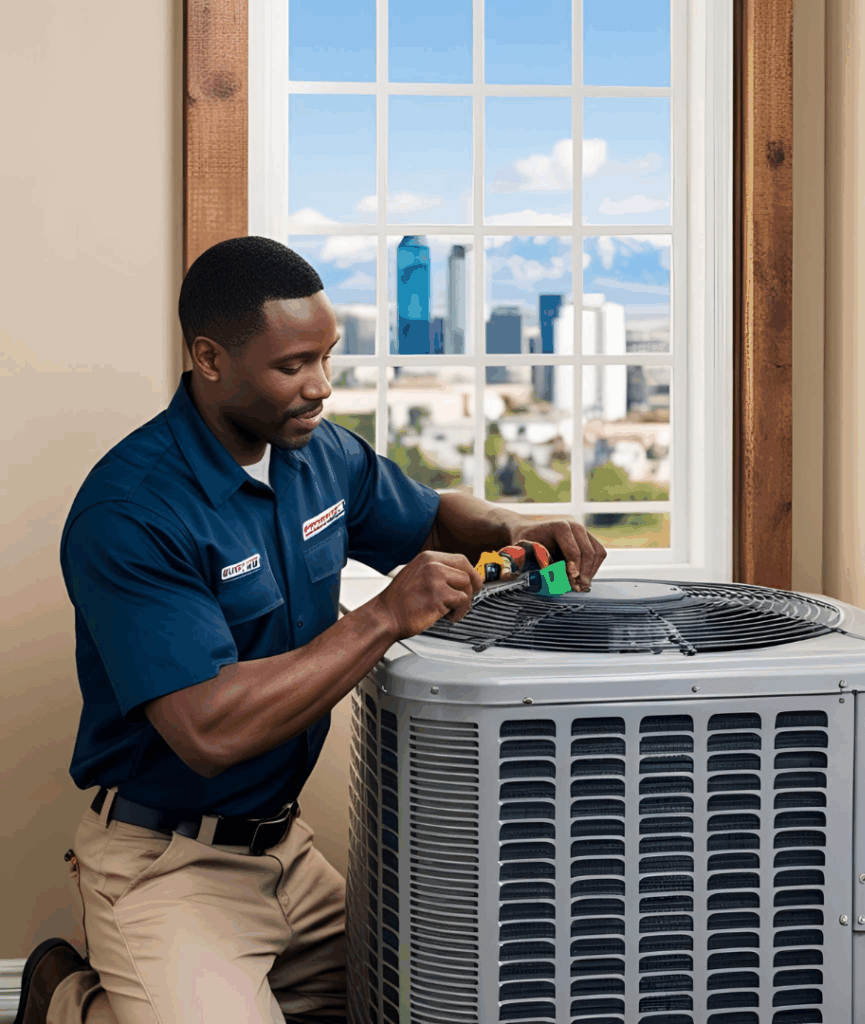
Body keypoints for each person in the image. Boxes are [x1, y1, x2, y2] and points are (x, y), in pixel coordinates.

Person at [16, 236, 606, 1024]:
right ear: (209, 358)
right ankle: (66, 1001)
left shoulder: (318, 453)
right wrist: (386, 614)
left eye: (326, 358)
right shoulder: (132, 513)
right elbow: (209, 730)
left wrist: (512, 526)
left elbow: (431, 517)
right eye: (293, 366)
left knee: (432, 996)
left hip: (287, 855)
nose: (321, 386)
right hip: (168, 865)